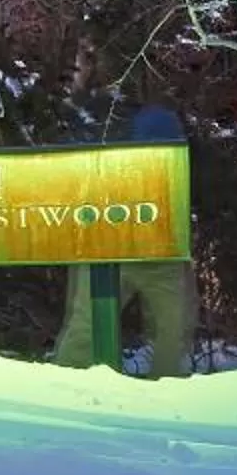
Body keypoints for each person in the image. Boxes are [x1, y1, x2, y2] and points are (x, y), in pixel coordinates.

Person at [54, 102, 198, 376]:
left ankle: (166, 391)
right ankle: (65, 385)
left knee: (174, 326)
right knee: (87, 325)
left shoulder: (180, 165)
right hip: (111, 253)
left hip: (160, 257)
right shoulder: (110, 165)